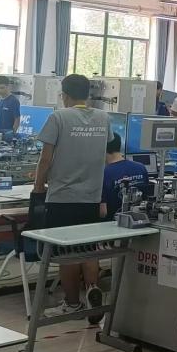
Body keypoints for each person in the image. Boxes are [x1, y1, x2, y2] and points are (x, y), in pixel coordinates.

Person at [33, 74, 110, 318]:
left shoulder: (58, 117)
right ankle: (93, 290)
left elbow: (45, 158)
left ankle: (72, 302)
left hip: (62, 196)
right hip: (91, 196)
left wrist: (38, 187)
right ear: (88, 94)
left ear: (64, 95)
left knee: (66, 253)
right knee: (88, 249)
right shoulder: (103, 118)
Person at [100, 133, 149, 221]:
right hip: (139, 220)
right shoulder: (141, 167)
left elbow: (103, 212)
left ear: (102, 148)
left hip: (114, 223)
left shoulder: (104, 173)